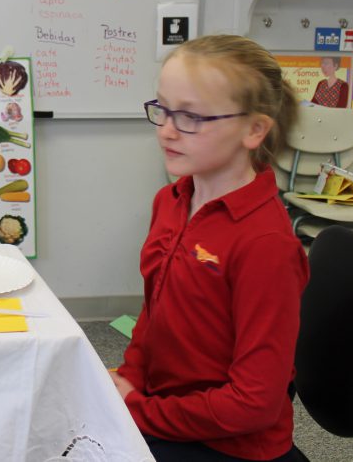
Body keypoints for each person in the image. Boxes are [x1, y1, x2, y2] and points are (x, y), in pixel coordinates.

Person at [112, 34, 309, 462]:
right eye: (162, 108)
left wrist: (138, 411)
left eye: (190, 117)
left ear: (254, 129)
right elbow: (155, 314)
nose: (166, 129)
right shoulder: (171, 201)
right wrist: (128, 381)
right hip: (167, 411)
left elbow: (253, 404)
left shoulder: (265, 245)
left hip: (230, 445)